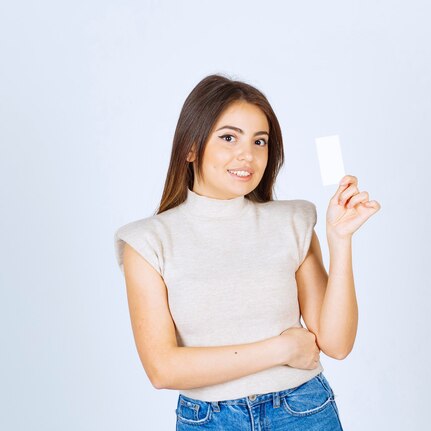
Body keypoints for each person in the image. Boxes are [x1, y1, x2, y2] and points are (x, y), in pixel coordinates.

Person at [113, 74, 381, 430]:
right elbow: (163, 369)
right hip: (210, 421)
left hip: (303, 411)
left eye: (260, 141)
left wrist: (340, 239)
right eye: (228, 137)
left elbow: (337, 343)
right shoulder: (147, 241)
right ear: (191, 148)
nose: (248, 155)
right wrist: (282, 349)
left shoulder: (293, 221)